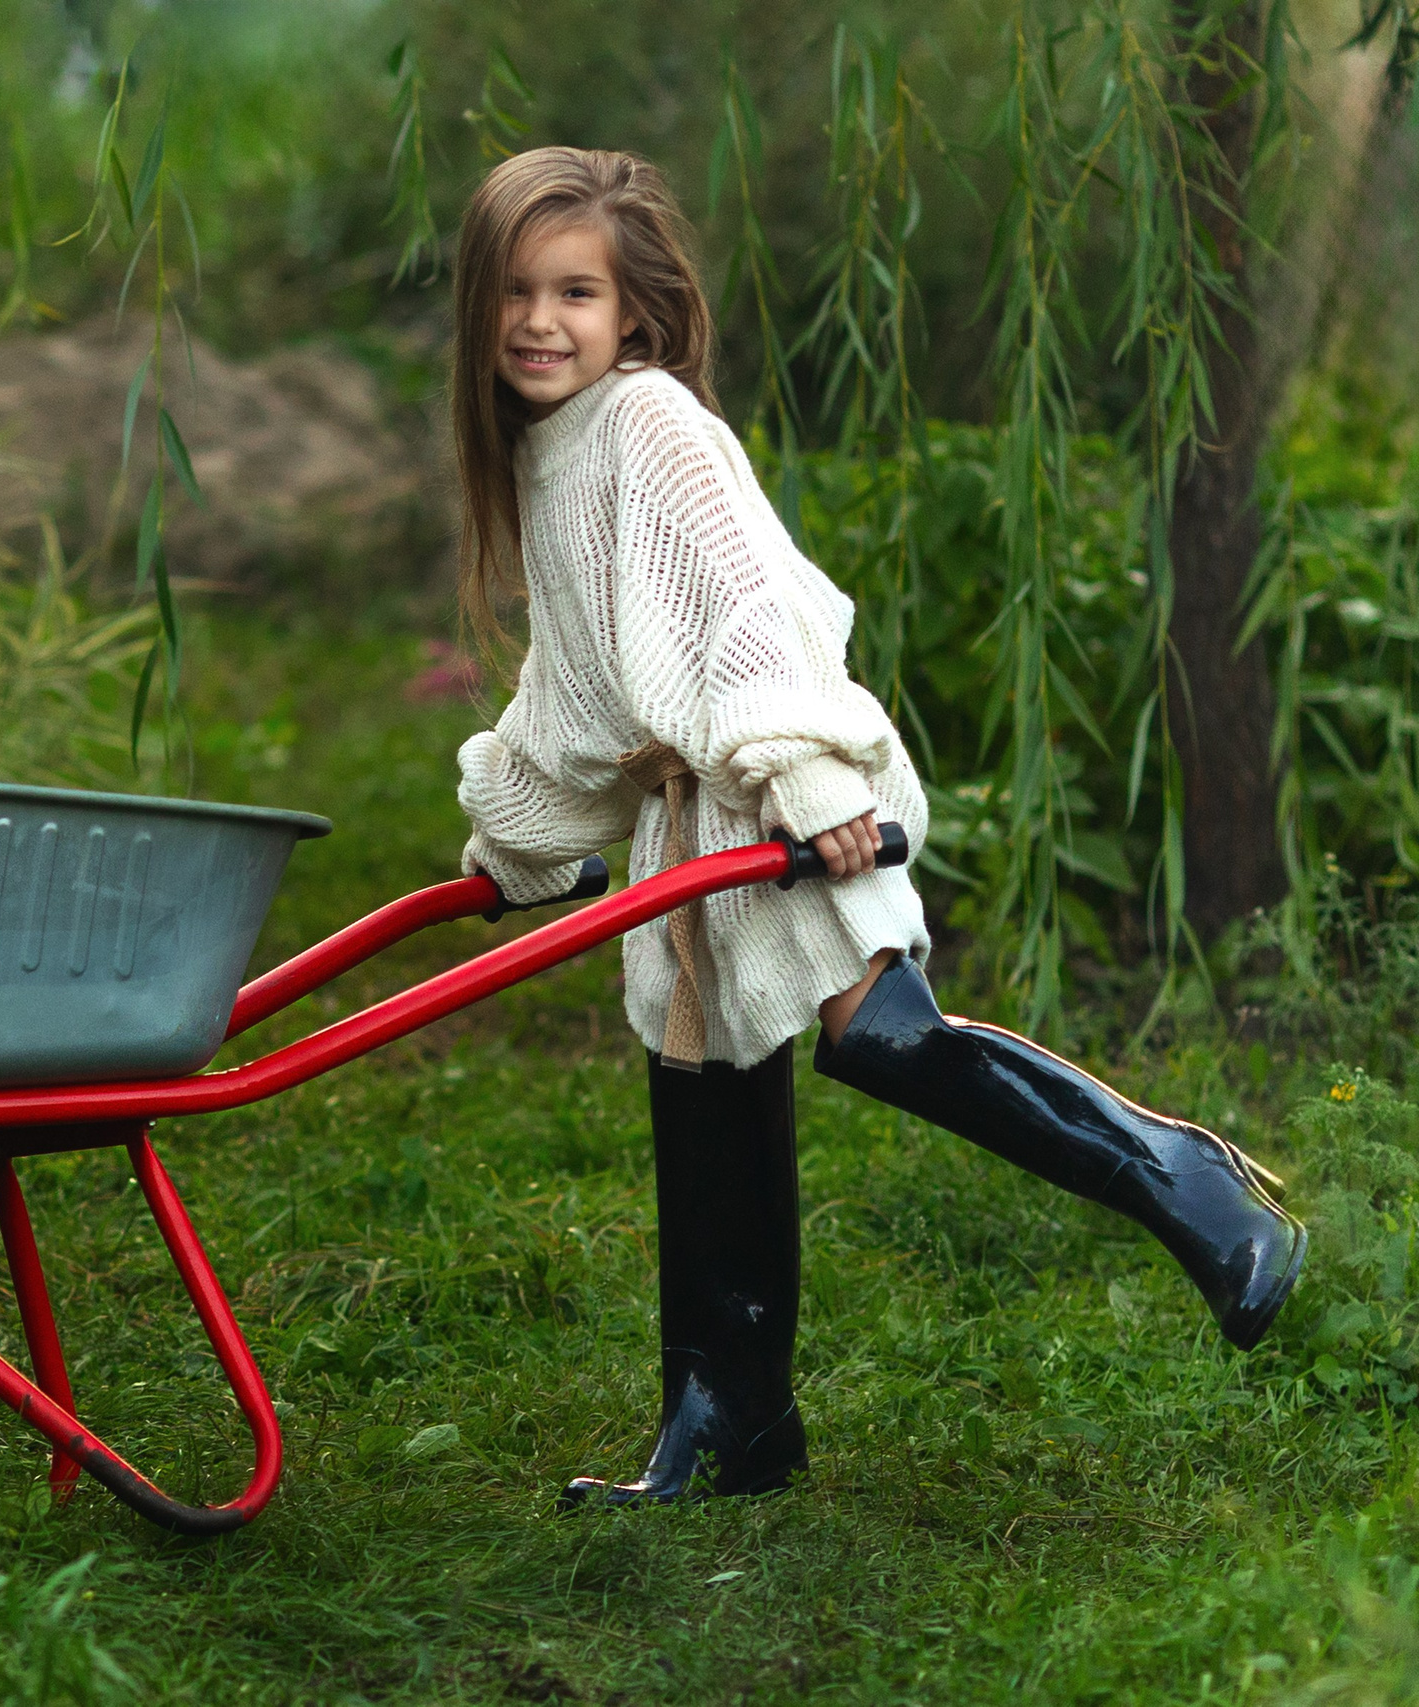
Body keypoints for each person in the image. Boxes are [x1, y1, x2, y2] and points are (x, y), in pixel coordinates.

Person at [447, 146, 1305, 1507]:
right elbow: (576, 696)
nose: (541, 323)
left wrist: (811, 783)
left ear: (636, 318)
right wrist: (518, 833)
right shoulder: (549, 462)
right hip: (698, 830)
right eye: (516, 293)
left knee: (884, 1037)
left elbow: (751, 607)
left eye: (578, 293)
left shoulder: (651, 424)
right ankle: (733, 1416)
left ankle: (1185, 1177)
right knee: (707, 1088)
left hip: (778, 796)